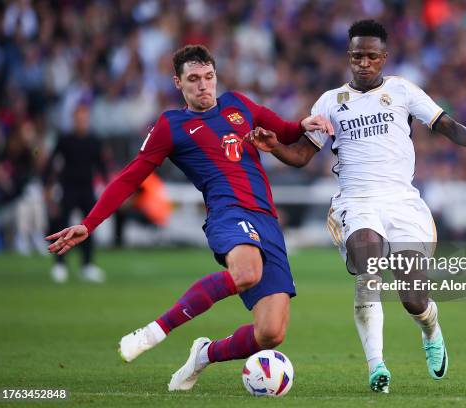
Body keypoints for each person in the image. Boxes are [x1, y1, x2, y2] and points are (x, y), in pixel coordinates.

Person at [46, 44, 333, 391]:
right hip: (228, 214)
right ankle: (154, 331)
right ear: (178, 83)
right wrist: (89, 223)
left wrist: (304, 123)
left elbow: (285, 131)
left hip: (267, 221)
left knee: (271, 333)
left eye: (209, 77)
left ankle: (204, 354)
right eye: (194, 79)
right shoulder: (172, 125)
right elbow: (131, 176)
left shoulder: (238, 105)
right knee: (246, 272)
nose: (203, 85)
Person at [249, 20, 466, 393]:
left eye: (372, 56)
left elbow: (443, 123)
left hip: (403, 203)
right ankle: (377, 367)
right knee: (368, 269)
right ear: (349, 57)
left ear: (384, 58)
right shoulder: (329, 101)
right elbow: (303, 155)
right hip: (356, 203)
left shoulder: (402, 90)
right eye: (357, 56)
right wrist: (275, 147)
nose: (364, 63)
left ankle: (431, 329)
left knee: (413, 298)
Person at [43, 104, 108, 283]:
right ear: (73, 120)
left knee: (89, 227)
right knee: (62, 225)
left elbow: (101, 166)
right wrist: (47, 187)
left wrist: (106, 187)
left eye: (84, 119)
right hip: (68, 188)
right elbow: (51, 163)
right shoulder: (65, 140)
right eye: (78, 119)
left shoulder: (94, 140)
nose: (81, 122)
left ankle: (87, 265)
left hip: (87, 189)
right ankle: (59, 264)